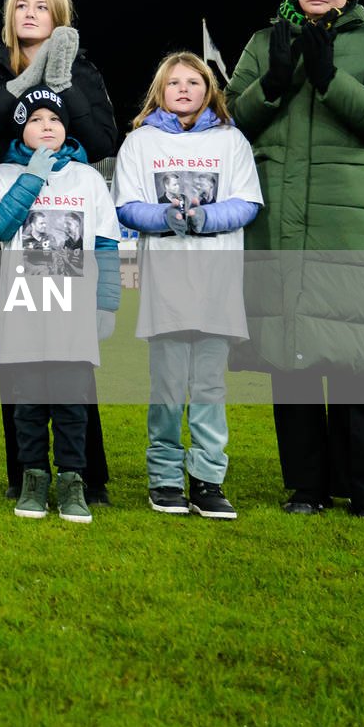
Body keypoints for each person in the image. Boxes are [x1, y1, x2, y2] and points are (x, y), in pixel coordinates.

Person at [225, 0, 364, 521]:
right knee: (292, 360)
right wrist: (275, 83)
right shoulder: (264, 43)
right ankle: (304, 488)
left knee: (353, 358)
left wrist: (332, 79)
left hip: (345, 221)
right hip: (277, 218)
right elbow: (233, 117)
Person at [0, 0, 120, 502]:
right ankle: (23, 471)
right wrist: (22, 89)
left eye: (42, 7)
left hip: (69, 217)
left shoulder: (84, 71)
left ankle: (85, 473)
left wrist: (62, 80)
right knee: (15, 353)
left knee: (76, 356)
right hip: (5, 218)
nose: (30, 14)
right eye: (21, 6)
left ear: (59, 18)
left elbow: (99, 138)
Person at [115, 53, 263, 519]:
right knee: (167, 388)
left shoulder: (231, 140)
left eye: (193, 82)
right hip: (167, 287)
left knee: (209, 388)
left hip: (218, 283)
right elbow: (126, 206)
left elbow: (247, 203)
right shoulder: (140, 143)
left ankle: (208, 480)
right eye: (173, 82)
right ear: (160, 91)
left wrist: (202, 218)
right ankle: (164, 478)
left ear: (208, 90)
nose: (183, 89)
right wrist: (163, 217)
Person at [0, 87, 121, 523]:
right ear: (21, 127)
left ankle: (73, 481)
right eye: (36, 119)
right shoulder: (1, 175)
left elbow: (107, 243)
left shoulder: (89, 179)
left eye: (55, 120)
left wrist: (107, 303)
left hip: (73, 316)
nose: (46, 126)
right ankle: (33, 479)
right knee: (28, 403)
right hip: (23, 311)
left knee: (72, 403)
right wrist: (32, 176)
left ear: (66, 129)